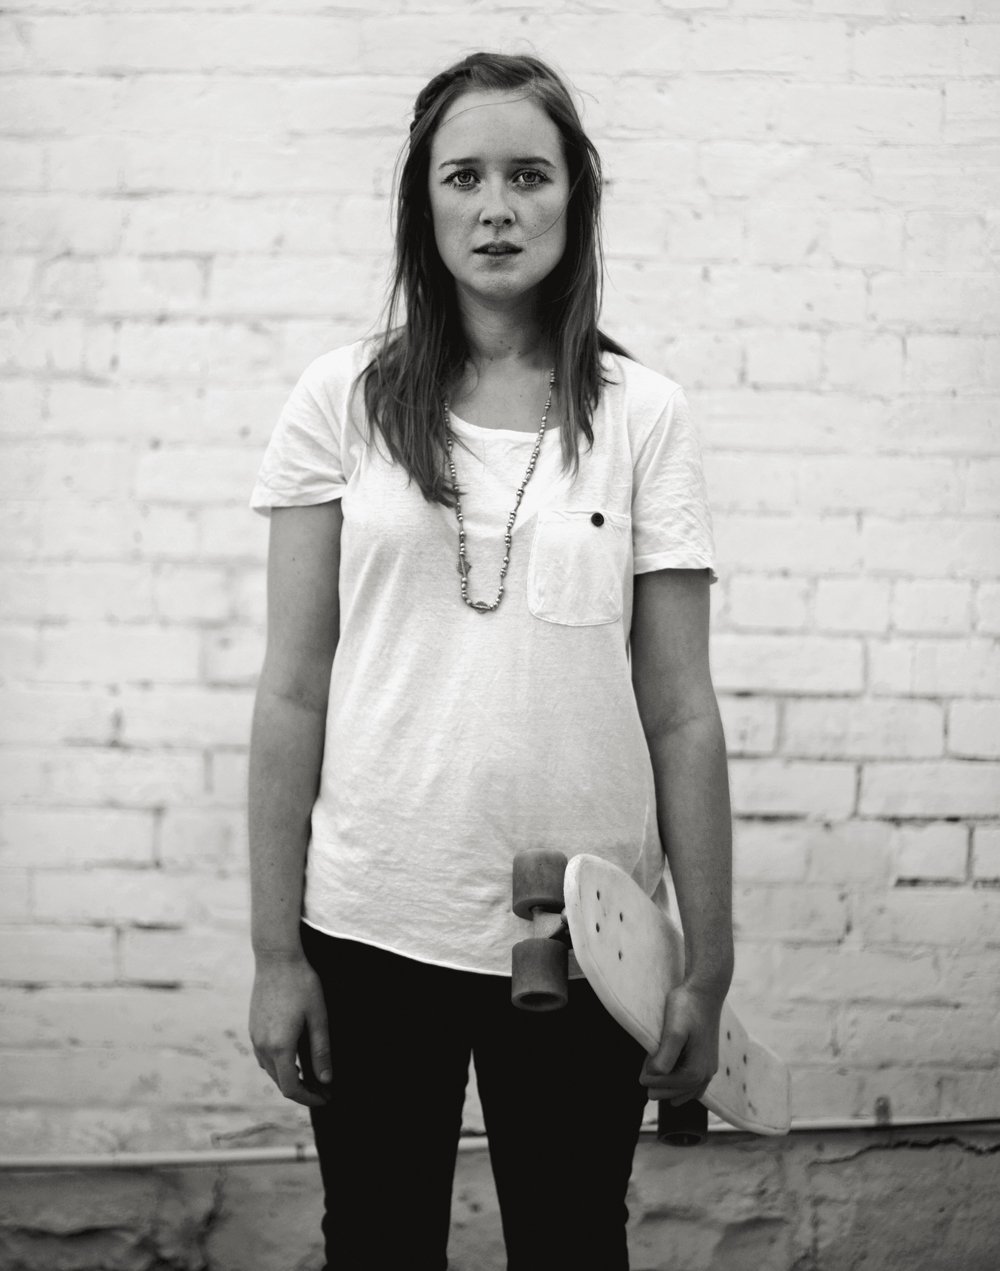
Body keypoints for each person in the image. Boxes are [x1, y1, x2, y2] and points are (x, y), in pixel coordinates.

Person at [247, 50, 733, 1271]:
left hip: (588, 932)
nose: (497, 207)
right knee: (376, 1240)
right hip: (370, 921)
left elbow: (680, 710)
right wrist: (274, 952)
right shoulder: (340, 400)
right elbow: (293, 688)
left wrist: (708, 965)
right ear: (423, 200)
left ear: (577, 196)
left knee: (572, 1241)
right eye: (463, 176)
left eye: (529, 175)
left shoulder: (642, 415)